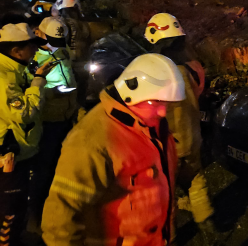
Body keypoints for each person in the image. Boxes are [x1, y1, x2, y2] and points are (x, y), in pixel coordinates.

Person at [41, 53, 185, 246]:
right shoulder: (92, 140)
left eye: (166, 103)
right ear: (130, 92)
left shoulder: (154, 127)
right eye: (155, 102)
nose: (163, 112)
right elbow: (61, 216)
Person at [145, 13, 214, 234]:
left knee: (166, 196)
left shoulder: (155, 77)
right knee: (196, 181)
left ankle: (169, 237)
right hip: (192, 139)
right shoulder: (190, 70)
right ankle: (207, 223)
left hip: (169, 146)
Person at [0, 23, 54, 246]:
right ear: (16, 50)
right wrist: (38, 81)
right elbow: (24, 114)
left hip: (21, 150)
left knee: (17, 202)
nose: (35, 50)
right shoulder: (6, 79)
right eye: (32, 46)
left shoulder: (15, 69)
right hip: (12, 154)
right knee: (10, 206)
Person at [29, 17, 78, 229]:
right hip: (47, 120)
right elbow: (30, 89)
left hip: (65, 118)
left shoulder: (61, 50)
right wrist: (52, 93)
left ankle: (55, 209)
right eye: (50, 39)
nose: (55, 44)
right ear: (39, 34)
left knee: (59, 166)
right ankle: (36, 216)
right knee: (44, 169)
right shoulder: (33, 57)